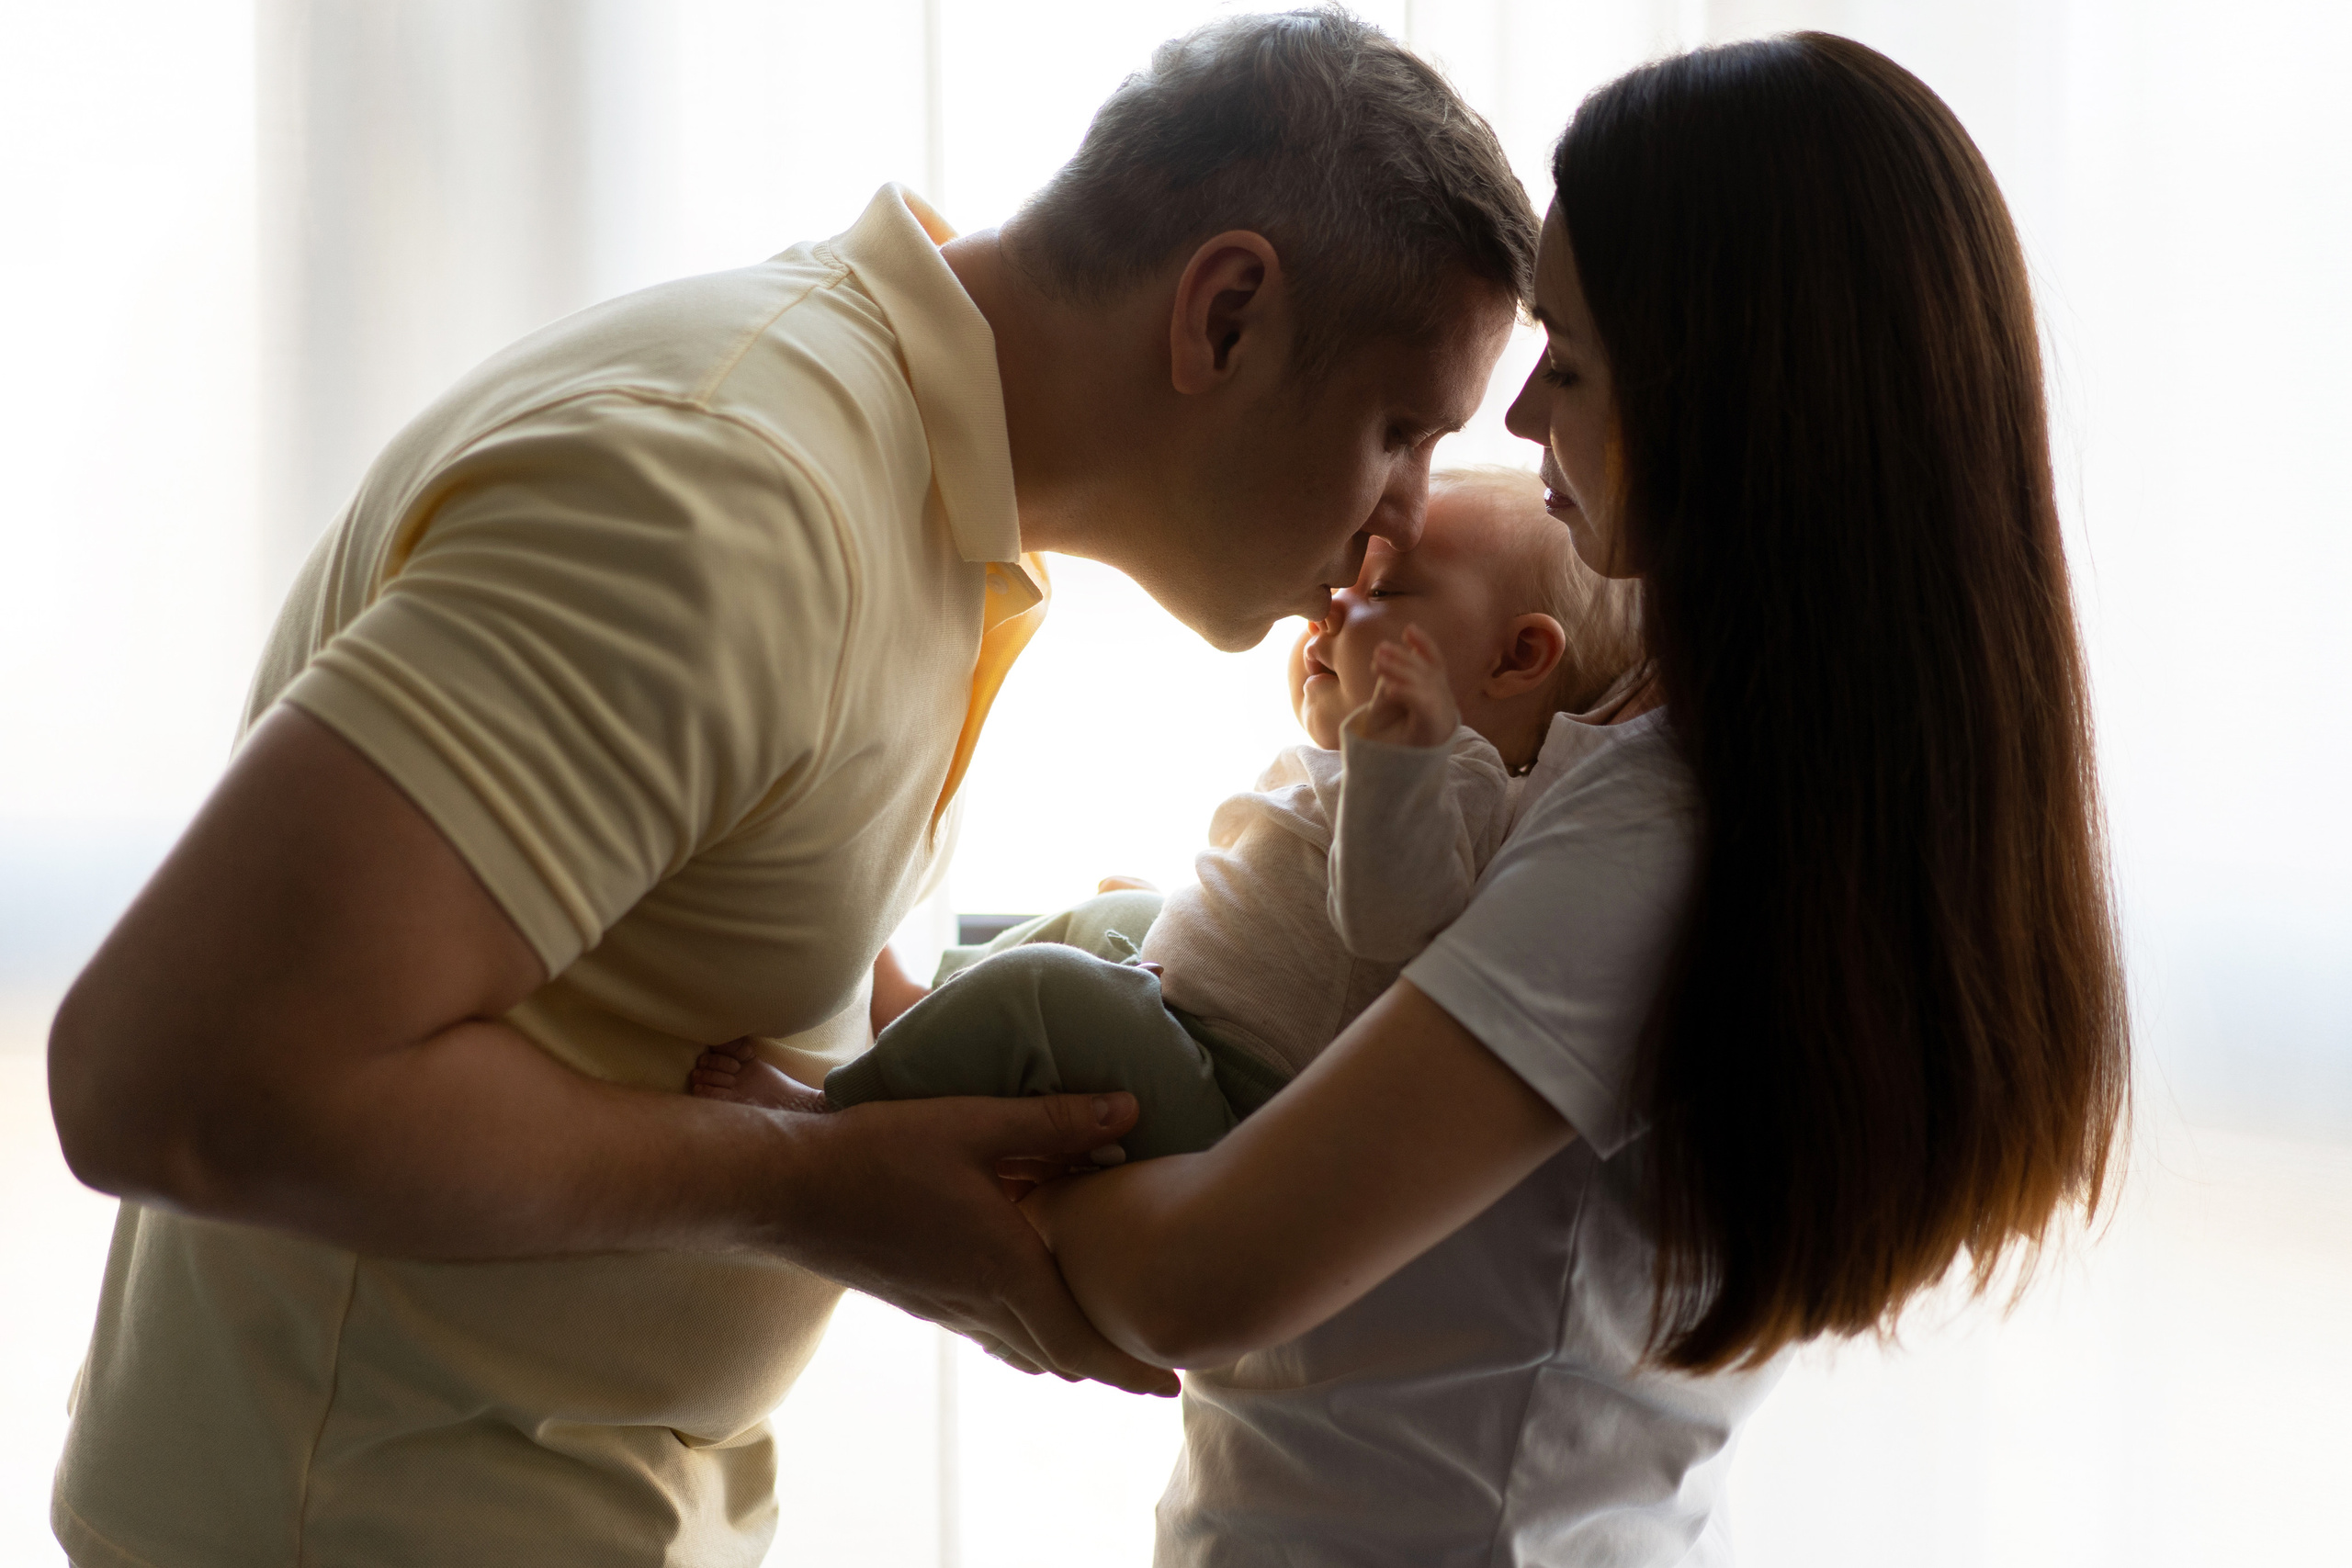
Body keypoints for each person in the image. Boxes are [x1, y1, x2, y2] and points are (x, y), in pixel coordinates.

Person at [41, 12, 1535, 1566]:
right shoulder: (731, 501)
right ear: (1224, 316)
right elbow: (174, 1077)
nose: (1402, 528)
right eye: (1404, 432)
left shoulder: (910, 491)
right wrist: (814, 1186)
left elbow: (661, 972)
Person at [1004, 33, 2133, 1566]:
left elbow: (1204, 1278)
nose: (1522, 418)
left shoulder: (1657, 830)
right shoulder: (1747, 772)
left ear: (1738, 406)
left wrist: (944, 1165)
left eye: (1572, 361)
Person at [685, 468, 1642, 1158]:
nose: (1330, 608)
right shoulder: (1385, 757)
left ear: (1516, 659)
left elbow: (1390, 921)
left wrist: (1399, 764)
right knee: (1113, 921)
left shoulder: (1458, 776)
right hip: (1209, 1021)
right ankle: (923, 1005)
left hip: (1244, 1106)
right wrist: (1197, 921)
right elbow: (1288, 893)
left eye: (1381, 594)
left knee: (1062, 993)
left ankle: (829, 1115)